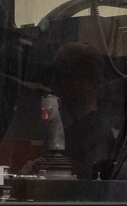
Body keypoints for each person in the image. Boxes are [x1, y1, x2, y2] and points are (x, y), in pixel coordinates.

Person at [48, 41, 117, 179]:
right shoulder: (62, 130)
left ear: (89, 83)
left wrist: (53, 168)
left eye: (64, 78)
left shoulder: (98, 134)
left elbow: (90, 187)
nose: (53, 85)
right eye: (55, 77)